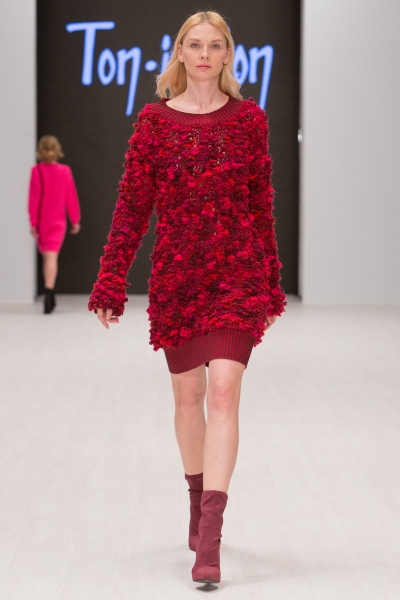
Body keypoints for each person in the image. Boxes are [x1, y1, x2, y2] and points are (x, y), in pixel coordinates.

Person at [88, 10, 286, 586]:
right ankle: (197, 502)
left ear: (228, 54)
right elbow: (132, 206)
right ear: (179, 52)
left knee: (223, 391)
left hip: (238, 273)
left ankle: (211, 537)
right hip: (180, 277)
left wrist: (270, 280)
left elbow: (260, 204)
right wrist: (110, 279)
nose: (203, 54)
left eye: (214, 45)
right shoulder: (154, 123)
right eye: (194, 45)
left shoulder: (248, 121)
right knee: (188, 397)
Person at [28, 135, 81, 313]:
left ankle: (48, 294)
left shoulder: (37, 171)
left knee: (47, 258)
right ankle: (50, 293)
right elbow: (70, 197)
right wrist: (75, 219)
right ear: (57, 150)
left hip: (43, 221)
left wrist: (33, 222)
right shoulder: (64, 171)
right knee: (52, 258)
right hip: (58, 220)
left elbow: (34, 199)